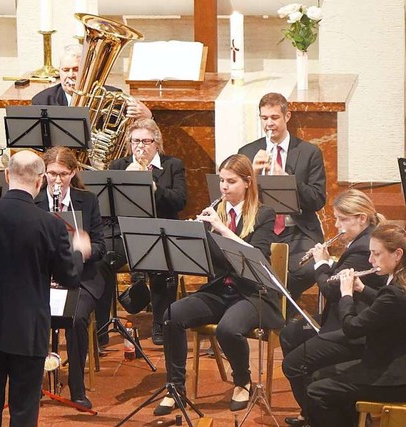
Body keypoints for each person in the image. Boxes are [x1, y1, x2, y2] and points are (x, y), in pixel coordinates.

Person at [0, 150, 91, 427]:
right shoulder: (50, 224)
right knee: (24, 414)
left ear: (6, 175)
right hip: (27, 331)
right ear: (40, 182)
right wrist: (79, 253)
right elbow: (70, 277)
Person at [154, 154, 282, 415]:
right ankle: (175, 387)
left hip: (253, 293)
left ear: (247, 182)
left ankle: (242, 381)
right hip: (220, 290)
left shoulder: (264, 214)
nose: (224, 187)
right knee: (172, 316)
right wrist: (191, 237)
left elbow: (256, 254)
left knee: (228, 329)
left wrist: (221, 229)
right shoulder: (216, 211)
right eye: (222, 181)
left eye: (231, 181)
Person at [281, 189, 386, 427]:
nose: (337, 225)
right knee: (290, 334)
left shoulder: (364, 247)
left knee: (293, 364)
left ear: (361, 218)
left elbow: (330, 289)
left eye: (342, 219)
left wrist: (320, 262)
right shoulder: (360, 241)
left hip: (355, 326)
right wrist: (328, 262)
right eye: (336, 218)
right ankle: (312, 410)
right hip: (340, 315)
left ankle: (319, 414)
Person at [306, 224, 406, 427]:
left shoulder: (394, 292)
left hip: (393, 378)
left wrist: (346, 295)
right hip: (392, 363)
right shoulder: (398, 285)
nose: (370, 260)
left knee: (316, 392)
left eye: (376, 254)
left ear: (397, 254)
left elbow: (352, 328)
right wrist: (361, 288)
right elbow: (387, 304)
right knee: (319, 375)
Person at [100, 118, 187, 346]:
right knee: (101, 259)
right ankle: (101, 324)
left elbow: (180, 200)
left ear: (156, 142)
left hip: (158, 233)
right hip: (124, 235)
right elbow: (106, 208)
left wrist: (154, 187)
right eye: (135, 141)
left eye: (146, 141)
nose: (140, 146)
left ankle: (161, 323)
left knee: (162, 263)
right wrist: (126, 181)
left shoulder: (172, 165)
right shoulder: (118, 167)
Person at [33, 146, 105, 409]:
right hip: (44, 277)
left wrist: (84, 248)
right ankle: (34, 383)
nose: (57, 180)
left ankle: (77, 387)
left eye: (63, 174)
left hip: (80, 278)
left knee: (76, 318)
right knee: (30, 312)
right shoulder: (35, 201)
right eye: (52, 173)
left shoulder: (88, 201)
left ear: (73, 173)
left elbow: (101, 246)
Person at [238, 92, 326, 302]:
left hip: (297, 229)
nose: (269, 123)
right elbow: (235, 198)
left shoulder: (309, 152)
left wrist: (288, 180)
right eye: (264, 118)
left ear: (287, 116)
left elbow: (317, 199)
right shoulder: (247, 151)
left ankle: (276, 307)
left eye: (274, 117)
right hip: (260, 229)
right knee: (242, 267)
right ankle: (277, 312)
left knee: (307, 269)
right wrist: (252, 175)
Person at [31, 44, 152, 119]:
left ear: (86, 71)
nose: (70, 75)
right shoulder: (42, 101)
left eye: (76, 70)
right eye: (65, 70)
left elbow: (137, 134)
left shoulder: (113, 98)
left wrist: (148, 117)